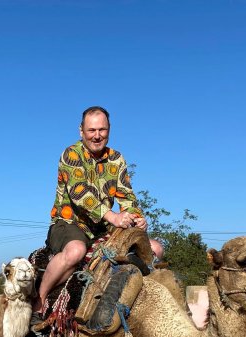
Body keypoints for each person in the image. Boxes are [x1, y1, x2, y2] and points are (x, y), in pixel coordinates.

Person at [34, 106, 164, 314]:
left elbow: (126, 195)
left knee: (155, 249)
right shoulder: (71, 154)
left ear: (109, 130)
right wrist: (113, 217)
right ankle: (39, 299)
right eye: (91, 130)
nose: (97, 136)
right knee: (76, 251)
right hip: (70, 222)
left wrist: (138, 219)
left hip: (102, 227)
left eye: (101, 130)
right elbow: (79, 194)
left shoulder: (117, 159)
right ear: (81, 131)